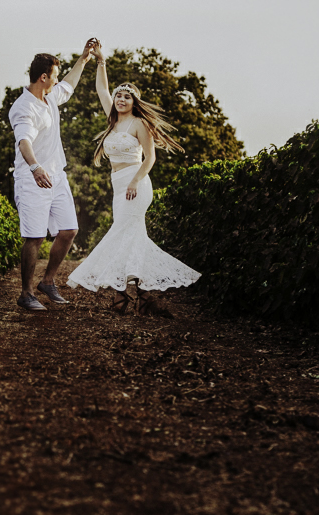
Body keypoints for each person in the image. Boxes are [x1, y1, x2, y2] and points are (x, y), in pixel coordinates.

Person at [65, 42, 201, 315]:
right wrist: (101, 60)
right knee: (131, 236)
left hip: (135, 183)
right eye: (119, 96)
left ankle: (122, 294)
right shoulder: (113, 122)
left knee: (122, 234)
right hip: (118, 185)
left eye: (127, 97)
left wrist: (135, 181)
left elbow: (150, 158)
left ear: (134, 102)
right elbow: (101, 89)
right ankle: (142, 295)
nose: (121, 99)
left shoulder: (140, 124)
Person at [10, 41, 98, 312]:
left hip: (57, 176)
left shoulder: (49, 97)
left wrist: (84, 59)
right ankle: (26, 293)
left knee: (69, 230)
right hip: (32, 178)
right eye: (55, 75)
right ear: (43, 77)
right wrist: (36, 168)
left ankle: (48, 281)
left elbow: (69, 84)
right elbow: (24, 141)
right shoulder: (24, 107)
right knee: (34, 237)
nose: (58, 79)